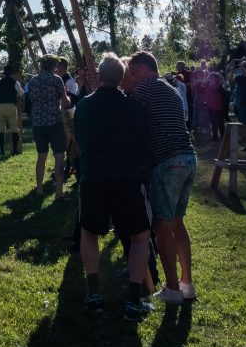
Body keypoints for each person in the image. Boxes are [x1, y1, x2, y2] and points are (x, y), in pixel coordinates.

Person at [74, 53, 153, 321]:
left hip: (94, 176)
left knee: (89, 233)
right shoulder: (134, 107)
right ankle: (132, 299)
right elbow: (143, 142)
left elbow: (80, 138)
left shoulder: (84, 106)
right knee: (140, 236)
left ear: (99, 75)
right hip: (127, 178)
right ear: (123, 79)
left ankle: (94, 293)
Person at [124, 50, 197, 305]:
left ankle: (173, 289)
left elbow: (125, 110)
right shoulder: (171, 89)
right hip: (189, 158)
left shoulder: (146, 89)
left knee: (162, 228)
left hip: (168, 163)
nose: (130, 77)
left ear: (144, 71)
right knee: (177, 223)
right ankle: (187, 284)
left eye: (132, 72)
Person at [28, 54, 70, 200]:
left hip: (38, 123)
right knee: (59, 157)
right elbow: (65, 102)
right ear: (53, 66)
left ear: (41, 65)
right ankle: (59, 192)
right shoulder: (56, 80)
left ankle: (39, 189)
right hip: (54, 122)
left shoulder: (33, 81)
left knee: (41, 156)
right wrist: (67, 95)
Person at [0, 65, 23, 157]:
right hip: (11, 106)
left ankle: (2, 151)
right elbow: (21, 93)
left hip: (0, 106)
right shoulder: (15, 82)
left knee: (1, 129)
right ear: (12, 73)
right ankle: (14, 150)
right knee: (14, 128)